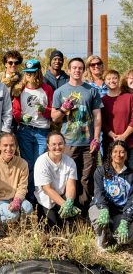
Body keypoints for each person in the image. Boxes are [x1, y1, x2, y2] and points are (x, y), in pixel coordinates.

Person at [51, 57, 102, 215]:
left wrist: (96, 138)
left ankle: (85, 211)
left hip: (88, 143)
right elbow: (54, 117)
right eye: (74, 68)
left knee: (86, 178)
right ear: (69, 69)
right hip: (68, 142)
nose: (77, 70)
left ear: (84, 70)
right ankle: (68, 210)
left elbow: (98, 117)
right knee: (68, 177)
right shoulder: (60, 91)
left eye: (80, 68)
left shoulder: (91, 90)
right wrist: (63, 109)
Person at [13, 59, 53, 204]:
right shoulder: (20, 89)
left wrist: (45, 110)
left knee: (40, 164)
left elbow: (53, 112)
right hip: (25, 130)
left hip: (42, 131)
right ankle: (30, 198)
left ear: (38, 73)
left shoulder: (47, 89)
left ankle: (41, 197)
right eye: (27, 73)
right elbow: (15, 111)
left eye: (33, 73)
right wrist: (22, 116)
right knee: (28, 164)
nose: (30, 76)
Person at [0, 133, 33, 240]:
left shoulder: (22, 163)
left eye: (12, 145)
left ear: (16, 147)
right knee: (13, 215)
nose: (9, 148)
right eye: (5, 145)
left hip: (15, 198)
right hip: (0, 200)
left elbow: (22, 186)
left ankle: (18, 227)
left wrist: (17, 200)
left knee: (28, 208)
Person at [89, 141, 133, 250]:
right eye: (115, 152)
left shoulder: (131, 175)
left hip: (121, 211)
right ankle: (101, 240)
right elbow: (98, 192)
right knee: (99, 218)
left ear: (127, 155)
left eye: (122, 152)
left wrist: (126, 220)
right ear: (110, 154)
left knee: (126, 237)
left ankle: (114, 236)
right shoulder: (101, 171)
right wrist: (104, 209)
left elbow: (132, 199)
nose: (118, 155)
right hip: (100, 207)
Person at [34, 132, 80, 228]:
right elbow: (47, 189)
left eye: (60, 144)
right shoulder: (41, 161)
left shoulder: (70, 162)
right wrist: (64, 205)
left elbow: (71, 185)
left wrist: (69, 202)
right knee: (51, 227)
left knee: (69, 226)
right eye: (54, 144)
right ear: (48, 146)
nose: (57, 147)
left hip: (63, 197)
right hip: (46, 199)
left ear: (64, 144)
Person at [101, 69, 133, 168]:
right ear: (105, 82)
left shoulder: (130, 97)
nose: (112, 81)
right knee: (111, 175)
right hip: (110, 143)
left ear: (119, 79)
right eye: (109, 79)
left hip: (130, 143)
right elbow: (102, 121)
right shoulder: (103, 100)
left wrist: (124, 136)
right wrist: (112, 135)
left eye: (114, 78)